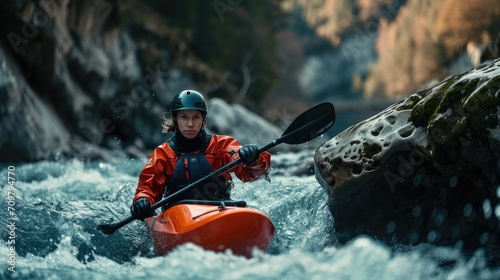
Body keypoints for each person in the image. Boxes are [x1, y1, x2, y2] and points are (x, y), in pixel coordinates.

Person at [130, 90, 271, 220]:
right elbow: (148, 188)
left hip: (219, 210)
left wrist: (254, 159)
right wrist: (142, 200)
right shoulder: (163, 154)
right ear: (175, 119)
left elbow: (253, 174)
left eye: (196, 117)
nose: (190, 124)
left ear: (203, 120)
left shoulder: (221, 145)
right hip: (177, 217)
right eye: (184, 117)